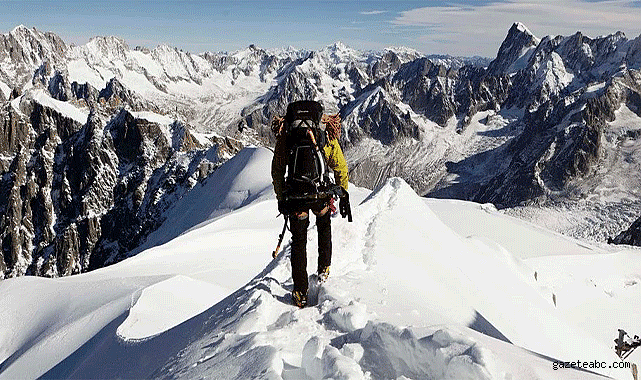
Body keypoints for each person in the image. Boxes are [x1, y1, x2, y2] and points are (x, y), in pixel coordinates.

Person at [271, 101, 349, 308]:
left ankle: (300, 292)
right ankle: (324, 270)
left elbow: (277, 171)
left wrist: (281, 197)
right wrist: (343, 191)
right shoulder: (324, 135)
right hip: (319, 194)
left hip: (296, 196)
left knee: (299, 241)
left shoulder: (287, 135)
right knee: (324, 228)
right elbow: (340, 166)